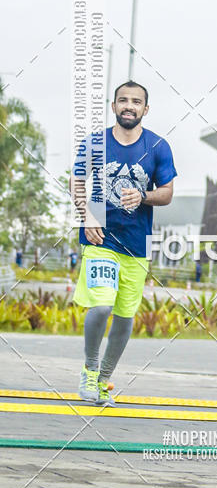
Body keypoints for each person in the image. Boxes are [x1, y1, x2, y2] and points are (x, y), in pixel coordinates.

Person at [71, 81, 176, 405]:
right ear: (113, 105)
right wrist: (86, 215)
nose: (129, 106)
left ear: (146, 109)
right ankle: (89, 371)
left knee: (125, 315)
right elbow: (76, 181)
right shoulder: (96, 142)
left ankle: (103, 379)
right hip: (100, 238)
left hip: (136, 243)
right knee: (101, 305)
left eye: (136, 101)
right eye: (123, 100)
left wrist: (143, 195)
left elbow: (167, 193)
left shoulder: (158, 146)